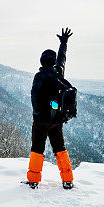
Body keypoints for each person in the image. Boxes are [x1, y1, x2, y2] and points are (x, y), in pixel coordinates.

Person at [26, 28, 74, 189]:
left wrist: (37, 114)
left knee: (37, 149)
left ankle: (33, 180)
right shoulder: (58, 72)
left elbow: (34, 96)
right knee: (60, 149)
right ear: (52, 62)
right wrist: (64, 42)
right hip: (56, 118)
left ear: (41, 61)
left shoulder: (39, 76)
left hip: (41, 120)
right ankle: (67, 179)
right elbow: (62, 58)